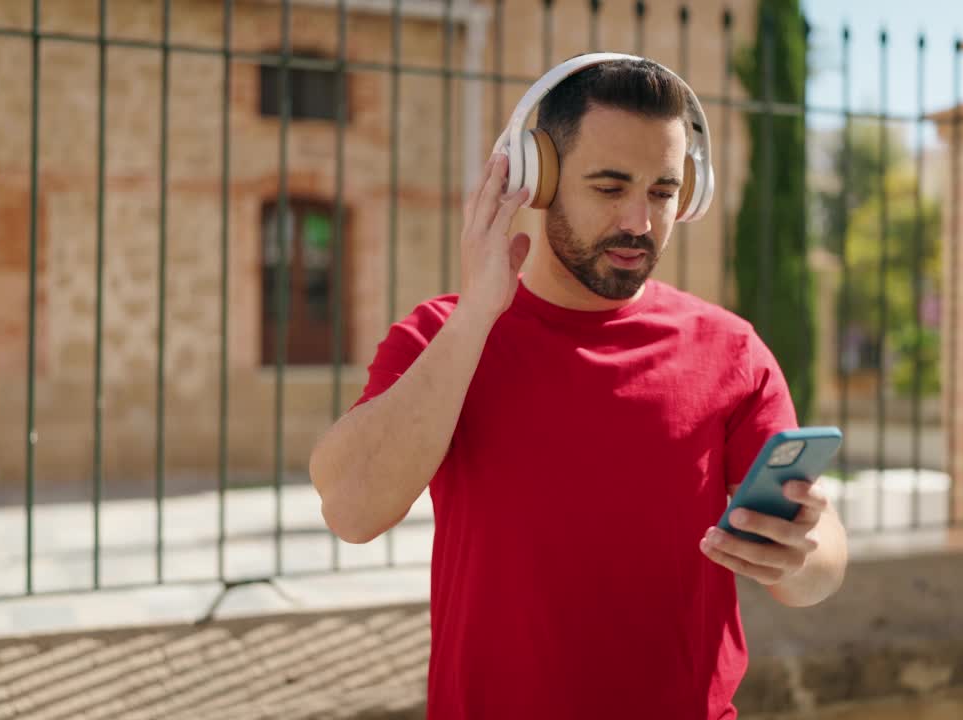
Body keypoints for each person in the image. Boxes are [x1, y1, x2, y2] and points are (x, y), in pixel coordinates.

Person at [309, 53, 847, 720]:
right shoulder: (444, 336)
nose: (639, 223)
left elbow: (822, 565)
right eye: (609, 186)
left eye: (662, 191)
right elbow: (351, 510)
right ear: (538, 180)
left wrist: (798, 553)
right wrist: (478, 313)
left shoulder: (730, 350)